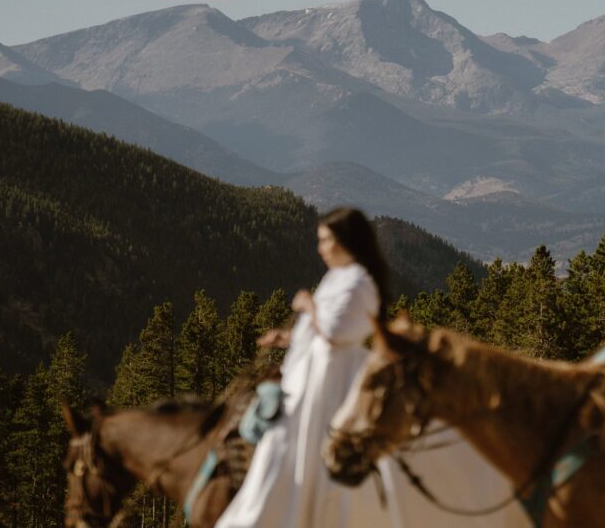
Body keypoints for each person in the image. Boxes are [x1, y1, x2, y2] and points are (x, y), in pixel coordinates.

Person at [217, 207, 529, 528]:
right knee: (288, 449)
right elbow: (323, 331)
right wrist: (286, 337)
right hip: (313, 376)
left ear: (346, 241)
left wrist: (308, 305)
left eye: (326, 240)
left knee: (304, 447)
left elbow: (337, 332)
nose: (321, 248)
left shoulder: (360, 282)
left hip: (332, 380)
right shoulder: (338, 278)